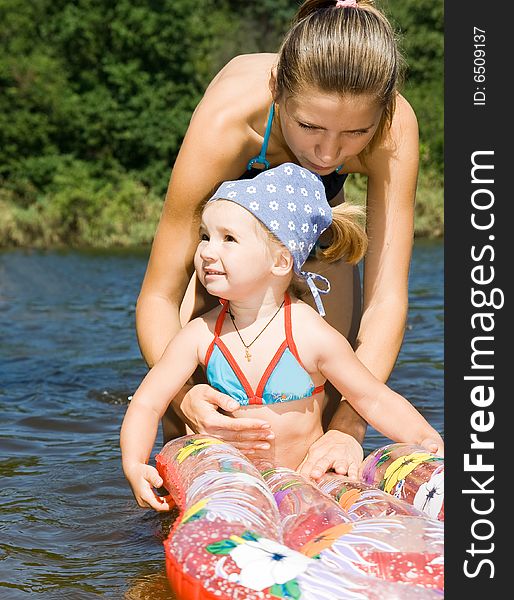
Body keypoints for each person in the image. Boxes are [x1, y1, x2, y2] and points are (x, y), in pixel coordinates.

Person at [135, 0, 420, 480]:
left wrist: (348, 426)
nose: (328, 152)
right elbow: (158, 295)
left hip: (319, 210)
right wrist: (184, 398)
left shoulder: (394, 127)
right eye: (309, 126)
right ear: (280, 94)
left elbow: (386, 298)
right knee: (190, 405)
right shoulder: (228, 125)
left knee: (328, 382)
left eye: (356, 133)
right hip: (236, 193)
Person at [121, 164, 443, 511]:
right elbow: (147, 402)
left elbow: (373, 399)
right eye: (205, 236)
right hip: (233, 485)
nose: (207, 251)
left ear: (279, 260)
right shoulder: (199, 335)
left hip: (306, 480)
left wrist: (427, 441)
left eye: (228, 238)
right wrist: (135, 464)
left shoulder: (309, 333)